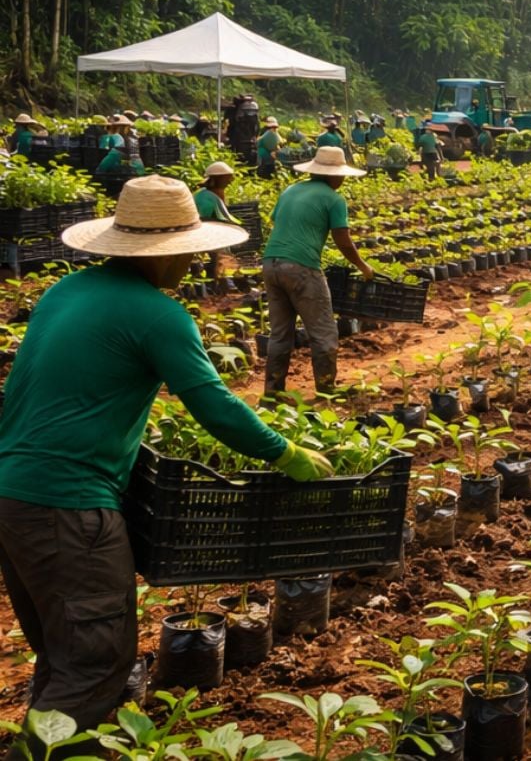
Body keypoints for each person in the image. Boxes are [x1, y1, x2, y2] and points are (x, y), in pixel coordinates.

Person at [0, 177, 333, 754]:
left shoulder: (64, 292)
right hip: (70, 506)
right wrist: (286, 452)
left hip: (13, 496)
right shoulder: (159, 315)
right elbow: (216, 407)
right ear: (170, 250)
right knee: (97, 663)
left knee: (63, 655)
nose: (196, 258)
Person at [261, 147, 373, 400]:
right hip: (302, 267)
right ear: (333, 175)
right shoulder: (334, 199)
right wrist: (363, 267)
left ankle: (272, 391)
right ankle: (326, 388)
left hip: (271, 263)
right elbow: (343, 240)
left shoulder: (291, 190)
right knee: (323, 331)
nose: (344, 179)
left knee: (279, 333)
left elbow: (277, 221)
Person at [193, 161, 243, 280]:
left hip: (213, 235)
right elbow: (203, 219)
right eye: (227, 179)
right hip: (205, 236)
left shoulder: (213, 193)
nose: (230, 181)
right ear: (218, 179)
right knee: (215, 262)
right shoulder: (205, 197)